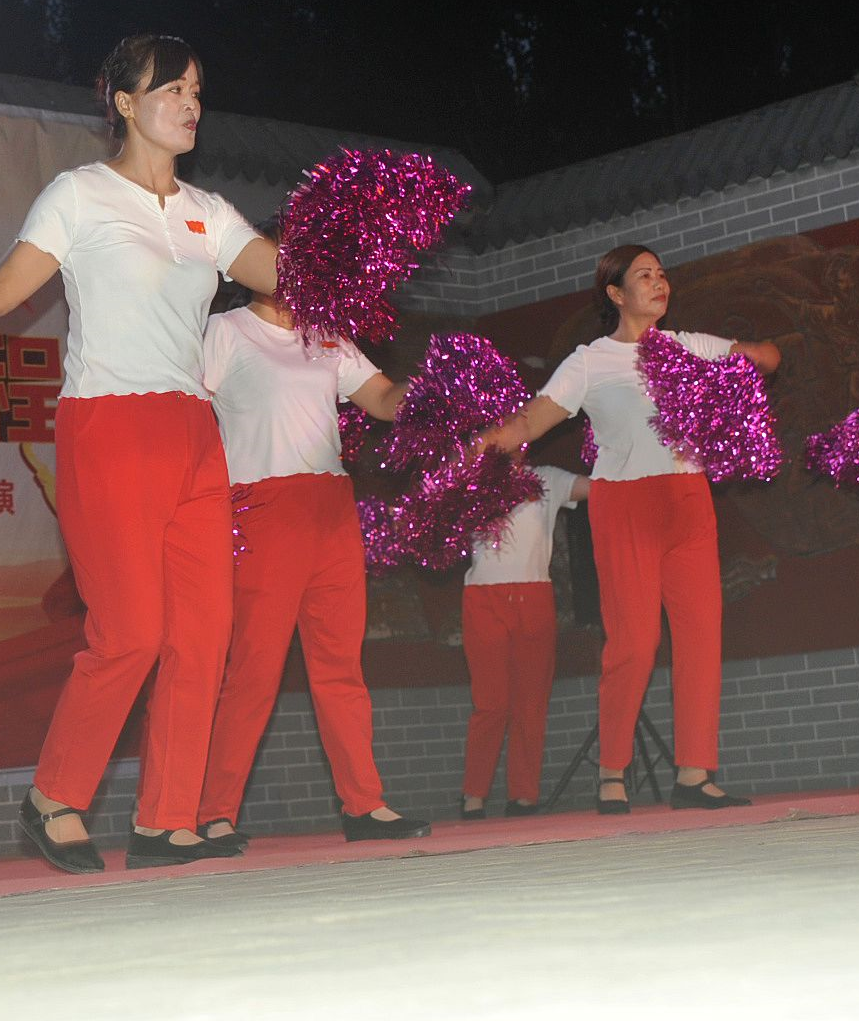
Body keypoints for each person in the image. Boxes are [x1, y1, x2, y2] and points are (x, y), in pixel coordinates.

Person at [0, 35, 278, 872]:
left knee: (203, 634)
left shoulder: (208, 211)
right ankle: (55, 797)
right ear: (123, 101)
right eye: (174, 87)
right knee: (133, 633)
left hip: (192, 431)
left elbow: (280, 273)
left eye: (197, 90)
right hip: (109, 426)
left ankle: (165, 819)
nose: (191, 103)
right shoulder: (79, 195)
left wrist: (354, 245)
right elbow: (2, 291)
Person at [483, 245, 779, 812]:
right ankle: (612, 771)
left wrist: (758, 360)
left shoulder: (690, 347)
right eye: (644, 275)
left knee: (700, 638)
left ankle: (695, 774)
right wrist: (477, 449)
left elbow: (762, 356)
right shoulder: (590, 361)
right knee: (636, 643)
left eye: (663, 274)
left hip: (689, 501)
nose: (659, 282)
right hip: (625, 506)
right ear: (616, 294)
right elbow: (529, 422)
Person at [195, 290, 428, 848]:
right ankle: (212, 811)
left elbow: (381, 399)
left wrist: (432, 383)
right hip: (263, 508)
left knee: (341, 667)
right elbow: (189, 412)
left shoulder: (328, 334)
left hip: (331, 508)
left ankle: (364, 805)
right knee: (254, 668)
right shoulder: (226, 330)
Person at [459, 463, 588, 819]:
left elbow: (594, 489)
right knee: (491, 702)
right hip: (483, 596)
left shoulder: (545, 477)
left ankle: (523, 796)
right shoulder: (469, 473)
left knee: (531, 702)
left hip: (533, 595)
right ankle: (473, 796)